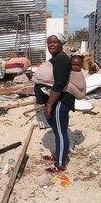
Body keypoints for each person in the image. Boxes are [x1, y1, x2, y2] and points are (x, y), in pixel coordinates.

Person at [32, 32, 74, 174]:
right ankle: (57, 155)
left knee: (61, 133)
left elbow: (60, 84)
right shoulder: (56, 59)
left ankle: (60, 164)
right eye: (49, 42)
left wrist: (49, 105)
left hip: (60, 102)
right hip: (55, 101)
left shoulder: (62, 60)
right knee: (57, 132)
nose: (52, 45)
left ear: (61, 44)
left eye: (55, 42)